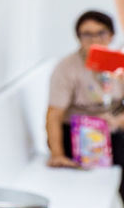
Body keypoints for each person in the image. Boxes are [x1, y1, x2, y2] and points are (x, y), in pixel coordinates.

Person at [44, 9, 124, 180]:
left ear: (111, 35)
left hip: (114, 129)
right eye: (87, 35)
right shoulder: (66, 68)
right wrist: (57, 155)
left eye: (101, 33)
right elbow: (54, 114)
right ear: (79, 38)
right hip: (78, 134)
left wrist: (117, 121)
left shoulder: (119, 63)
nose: (94, 40)